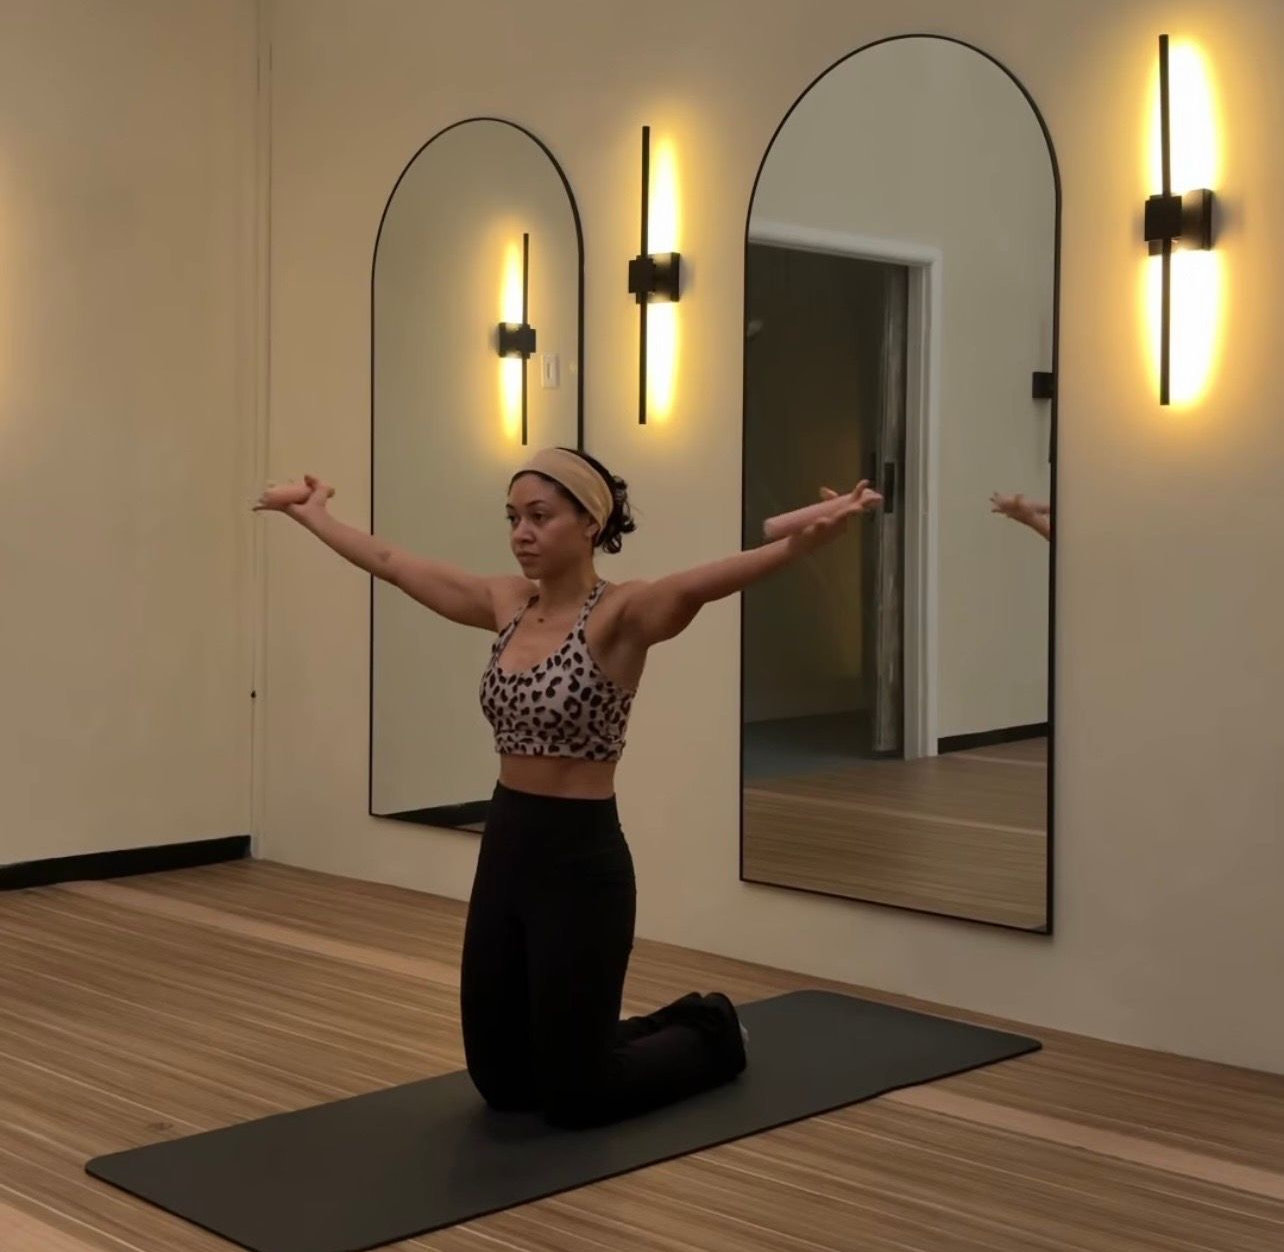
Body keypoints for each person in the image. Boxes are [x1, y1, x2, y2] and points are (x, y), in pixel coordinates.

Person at [254, 449, 881, 1129]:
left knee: (579, 1096)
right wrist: (314, 515)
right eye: (513, 518)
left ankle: (713, 1029)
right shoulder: (506, 604)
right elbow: (393, 563)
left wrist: (798, 546)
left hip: (580, 864)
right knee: (502, 1082)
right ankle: (599, 1041)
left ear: (590, 523)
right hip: (505, 849)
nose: (521, 533)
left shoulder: (621, 613)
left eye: (539, 516)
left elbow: (700, 584)